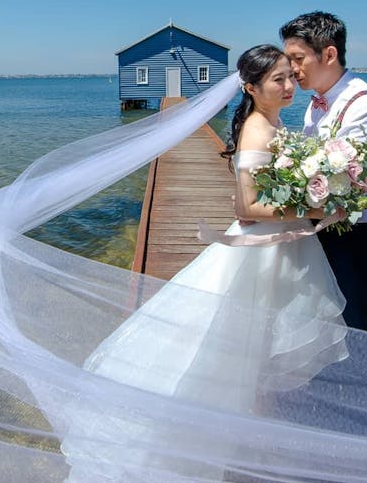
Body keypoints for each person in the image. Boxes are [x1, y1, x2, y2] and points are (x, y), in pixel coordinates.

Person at [59, 44, 348, 481]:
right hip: (261, 252)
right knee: (238, 347)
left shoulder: (272, 121)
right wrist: (314, 209)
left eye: (291, 76)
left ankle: (250, 439)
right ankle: (234, 444)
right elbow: (247, 206)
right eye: (278, 80)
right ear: (251, 87)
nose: (290, 86)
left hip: (279, 247)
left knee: (257, 349)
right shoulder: (257, 130)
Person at [280, 11, 367, 331]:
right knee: (317, 328)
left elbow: (341, 185)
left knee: (349, 328)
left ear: (329, 53)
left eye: (298, 58)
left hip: (351, 240)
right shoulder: (316, 102)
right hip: (319, 229)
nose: (292, 69)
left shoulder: (364, 106)